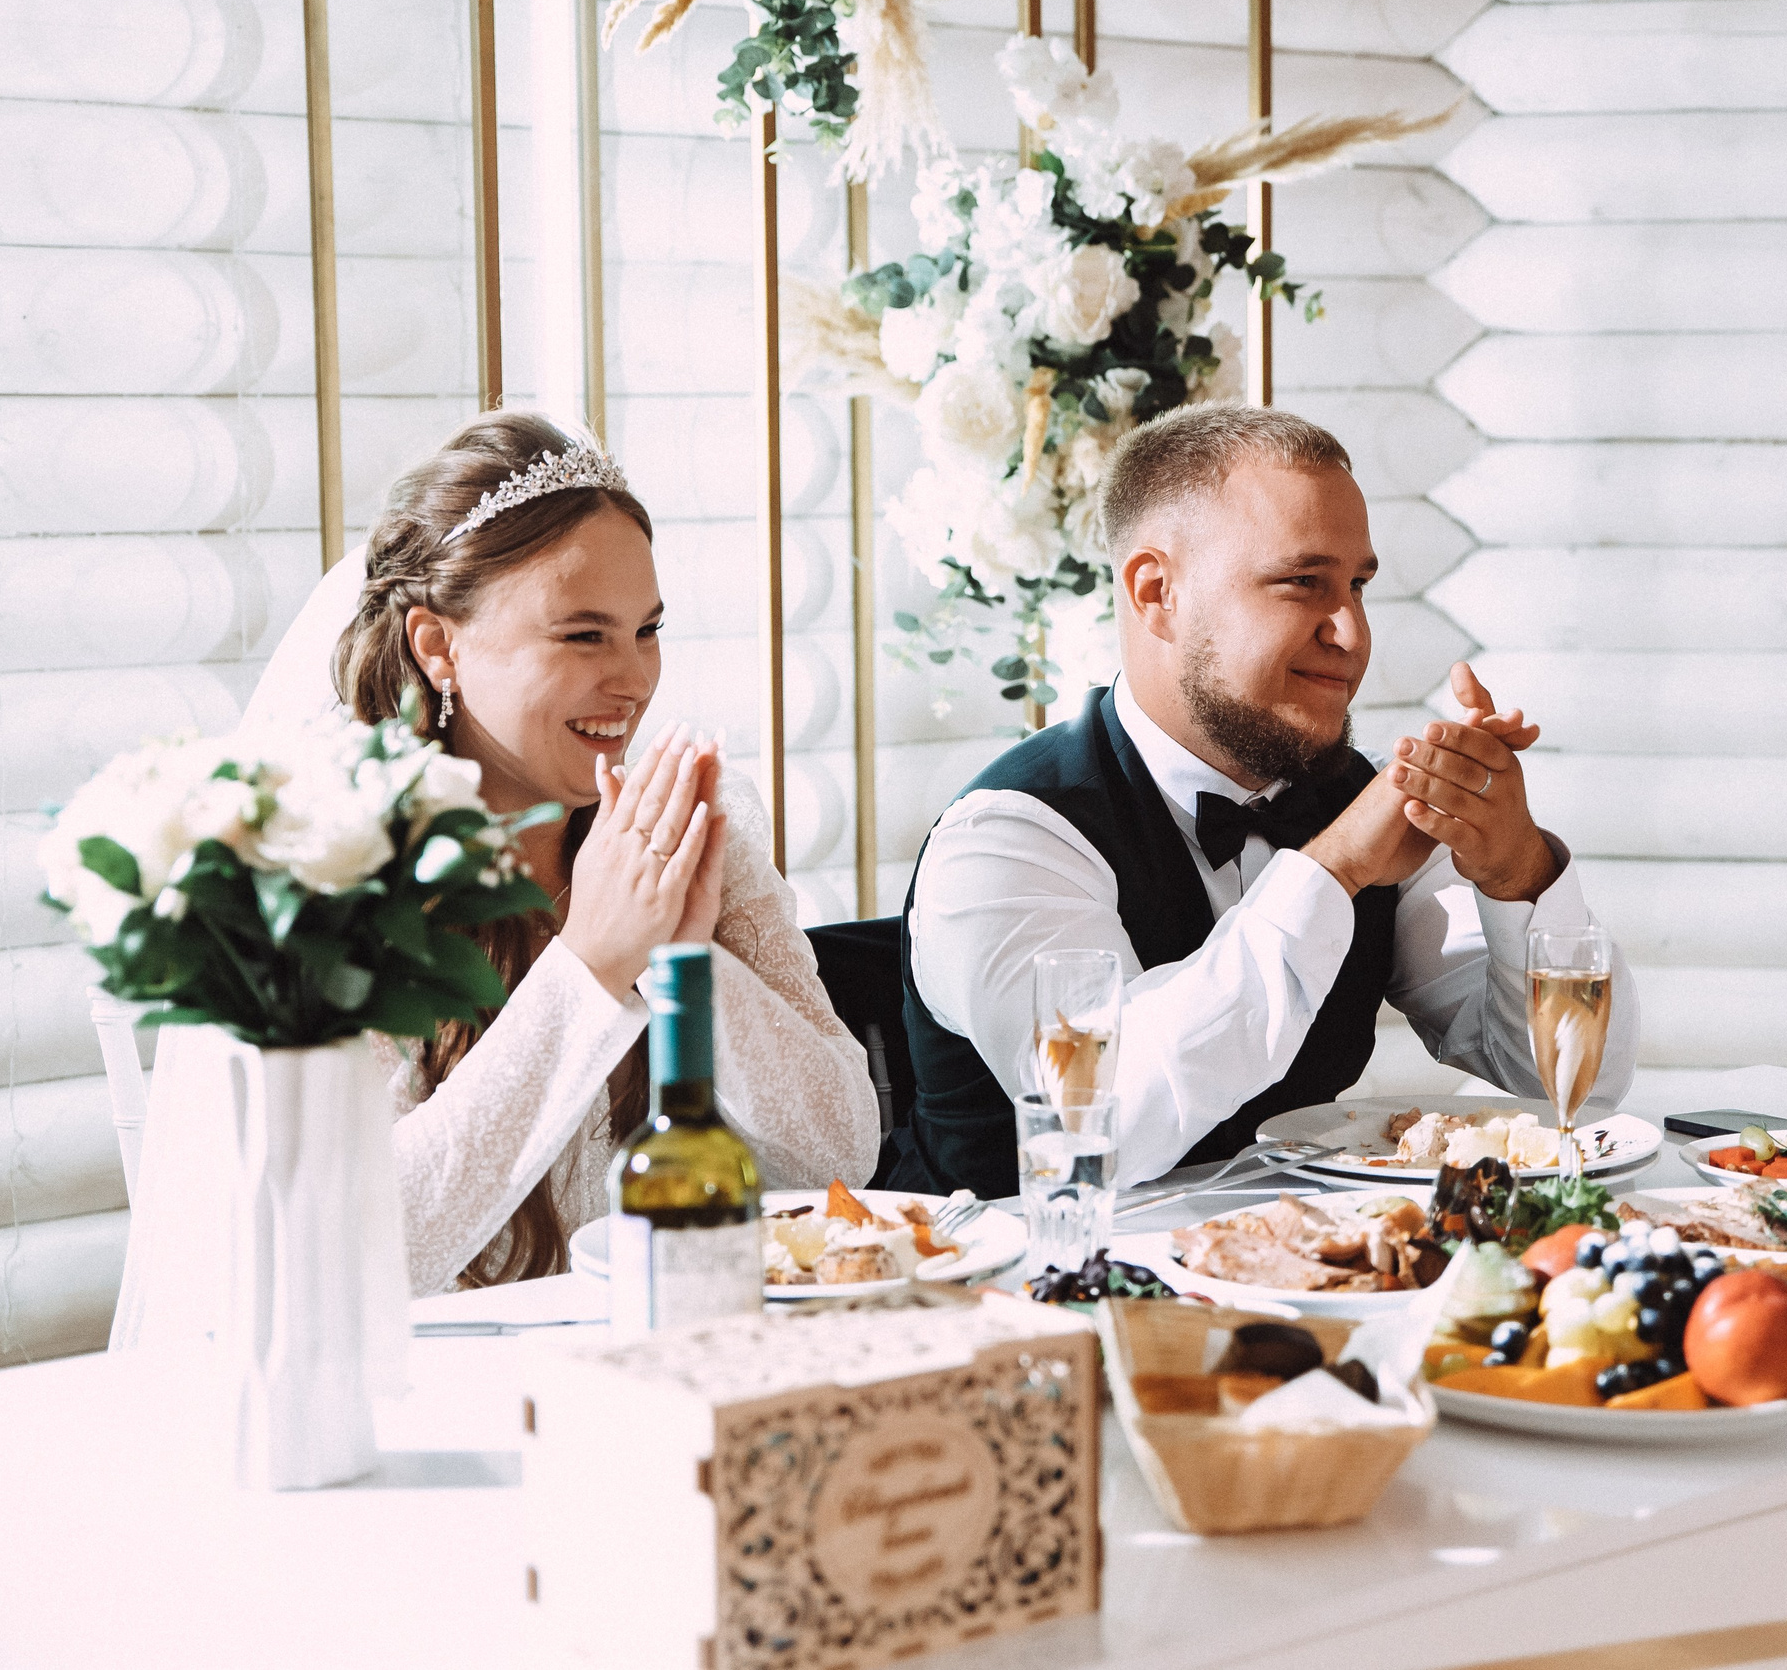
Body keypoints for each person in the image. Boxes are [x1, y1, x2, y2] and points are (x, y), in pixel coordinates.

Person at [900, 403, 1638, 1196]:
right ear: (1157, 592)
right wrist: (1334, 870)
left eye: (1357, 586)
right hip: (1023, 1299)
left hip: (1311, 1287)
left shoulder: (1359, 802)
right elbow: (1099, 1121)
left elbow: (1572, 1089)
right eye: (1302, 584)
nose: (1352, 633)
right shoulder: (1006, 839)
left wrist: (1516, 868)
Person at [328, 412, 879, 1293]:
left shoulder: (696, 823)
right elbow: (363, 1250)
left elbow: (839, 1150)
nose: (634, 679)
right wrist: (590, 962)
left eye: (647, 630)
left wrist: (681, 954)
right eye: (584, 635)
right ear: (440, 647)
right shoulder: (337, 870)